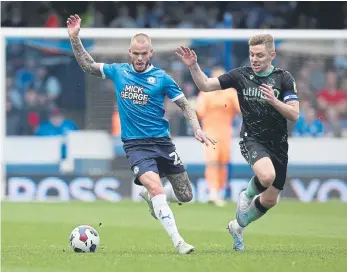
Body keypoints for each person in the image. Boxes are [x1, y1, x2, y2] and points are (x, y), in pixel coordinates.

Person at [67, 14, 216, 254]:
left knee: (186, 195)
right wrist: (75, 39)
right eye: (135, 54)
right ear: (129, 53)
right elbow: (87, 65)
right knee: (158, 188)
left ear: (150, 54)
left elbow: (186, 105)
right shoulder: (118, 71)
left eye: (143, 54)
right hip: (136, 146)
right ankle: (179, 241)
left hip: (163, 143)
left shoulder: (162, 78)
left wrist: (197, 129)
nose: (138, 58)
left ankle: (151, 196)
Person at [176, 34, 299, 251]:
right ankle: (247, 194)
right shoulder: (241, 75)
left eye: (260, 55)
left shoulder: (284, 79)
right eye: (252, 54)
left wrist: (273, 100)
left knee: (271, 200)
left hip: (278, 144)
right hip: (251, 139)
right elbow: (205, 85)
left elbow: (294, 114)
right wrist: (194, 66)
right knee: (267, 176)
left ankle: (238, 226)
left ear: (272, 55)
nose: (255, 59)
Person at [195, 67, 241, 207]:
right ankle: (213, 191)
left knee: (223, 162)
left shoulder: (231, 93)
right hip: (210, 133)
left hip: (226, 134)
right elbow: (199, 112)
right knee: (212, 161)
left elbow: (241, 110)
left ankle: (219, 192)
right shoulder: (205, 93)